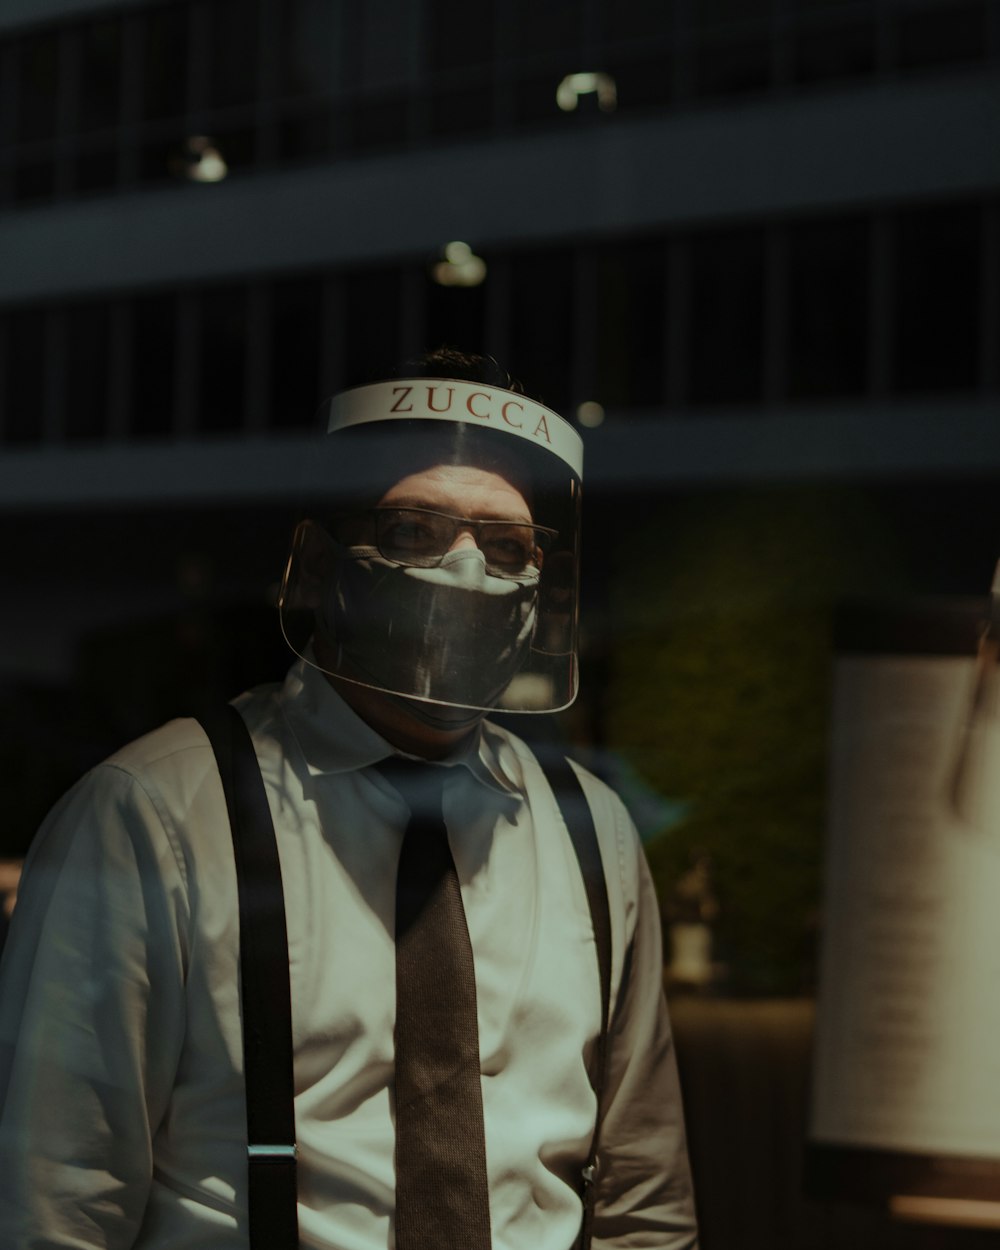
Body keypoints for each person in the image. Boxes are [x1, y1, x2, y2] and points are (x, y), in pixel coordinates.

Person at [0, 349, 698, 1249]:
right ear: (326, 561)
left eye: (507, 545)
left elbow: (644, 1195)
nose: (466, 571)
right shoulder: (154, 817)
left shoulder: (591, 832)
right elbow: (51, 1200)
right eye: (414, 529)